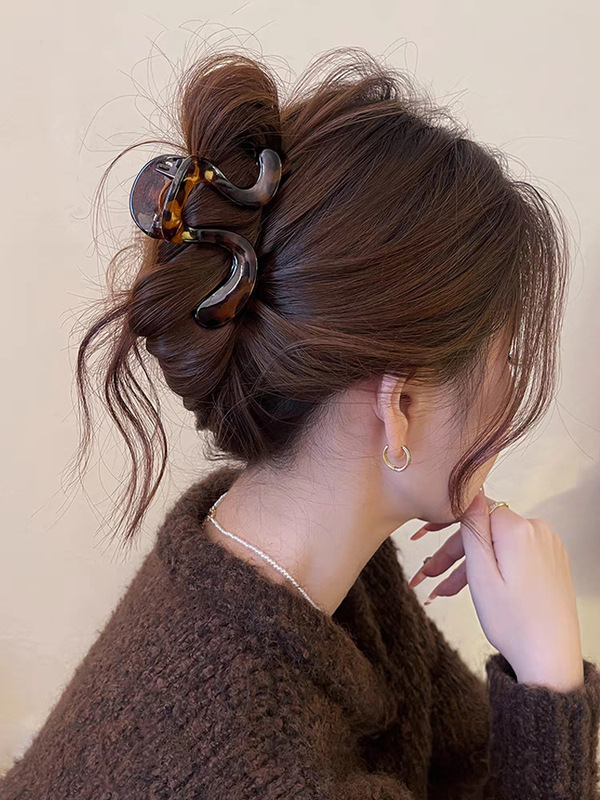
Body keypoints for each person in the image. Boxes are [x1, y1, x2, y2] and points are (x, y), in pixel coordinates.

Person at [1, 46, 598, 799]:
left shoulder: (305, 564)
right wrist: (549, 676)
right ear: (399, 407)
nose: (512, 388)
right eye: (505, 357)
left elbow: (470, 770)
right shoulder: (254, 766)